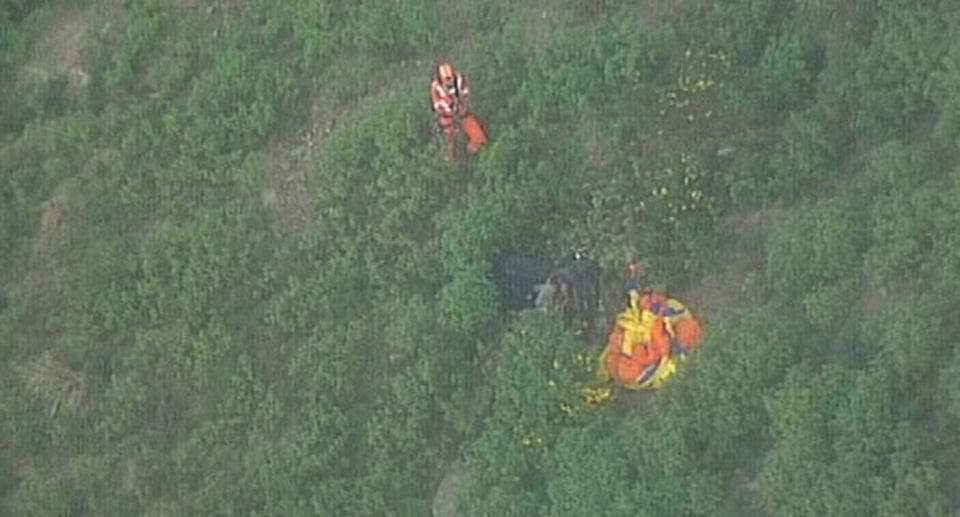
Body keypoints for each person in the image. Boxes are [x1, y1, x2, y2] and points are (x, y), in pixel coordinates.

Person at [430, 62, 470, 161]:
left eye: (451, 77)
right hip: (447, 114)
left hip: (461, 111)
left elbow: (465, 95)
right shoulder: (436, 87)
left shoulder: (460, 81)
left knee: (471, 126)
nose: (451, 81)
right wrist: (450, 109)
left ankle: (470, 149)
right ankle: (450, 157)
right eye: (447, 79)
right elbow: (438, 105)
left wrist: (462, 108)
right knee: (449, 135)